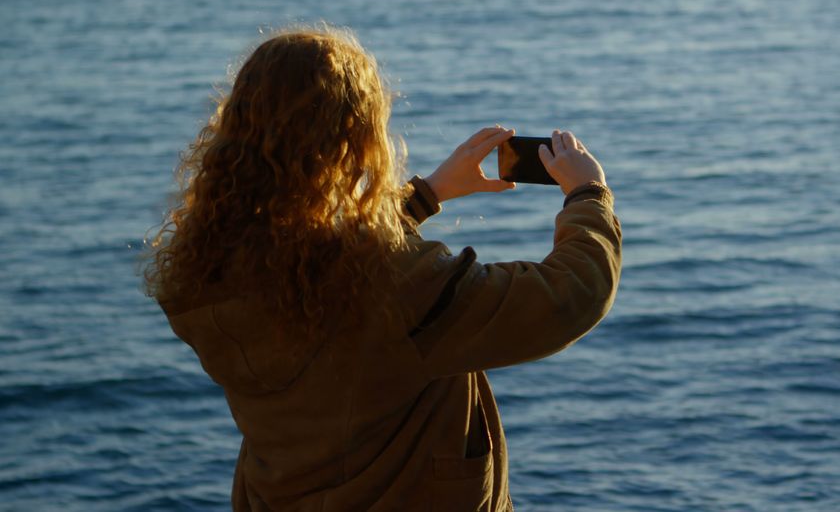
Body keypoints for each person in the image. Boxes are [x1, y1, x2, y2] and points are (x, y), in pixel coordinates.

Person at [144, 25, 621, 511]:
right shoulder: (395, 288)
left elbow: (321, 265)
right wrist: (587, 196)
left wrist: (425, 195)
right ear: (353, 141)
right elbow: (568, 297)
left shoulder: (209, 270)